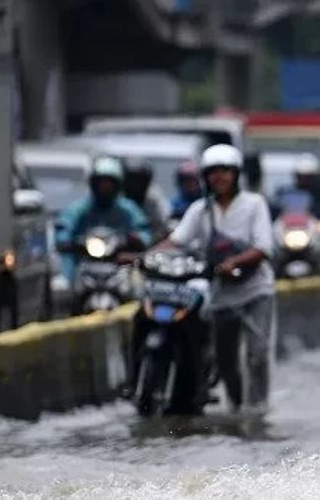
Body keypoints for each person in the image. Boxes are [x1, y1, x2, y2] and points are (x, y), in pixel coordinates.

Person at [155, 144, 276, 414]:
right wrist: (145, 256)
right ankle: (236, 405)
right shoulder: (200, 210)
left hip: (256, 290)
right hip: (221, 293)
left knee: (257, 353)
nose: (219, 178)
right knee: (225, 359)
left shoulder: (254, 204)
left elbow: (263, 248)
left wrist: (234, 262)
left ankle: (258, 408)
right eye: (213, 173)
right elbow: (177, 242)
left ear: (236, 174)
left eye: (225, 172)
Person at [56, 156, 152, 285]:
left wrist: (136, 239)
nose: (105, 187)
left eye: (109, 183)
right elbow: (65, 226)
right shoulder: (80, 208)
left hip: (118, 262)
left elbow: (143, 229)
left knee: (139, 284)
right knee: (63, 278)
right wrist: (66, 241)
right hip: (85, 260)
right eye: (101, 183)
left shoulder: (127, 209)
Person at [122, 157, 170, 240]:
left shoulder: (154, 197)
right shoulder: (119, 197)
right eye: (132, 179)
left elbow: (162, 223)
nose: (135, 184)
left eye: (139, 180)